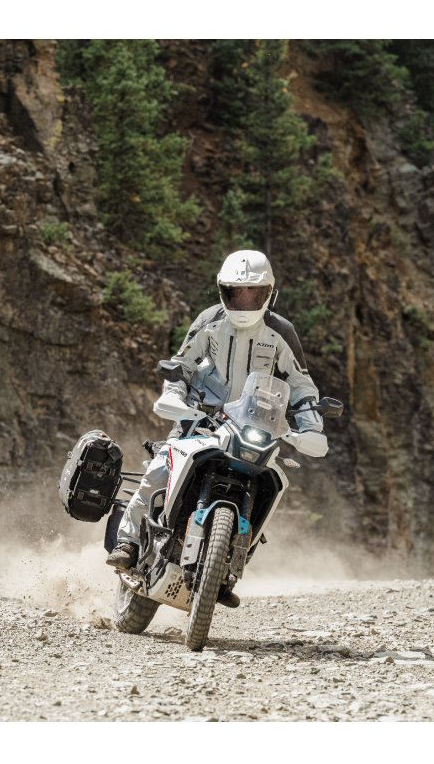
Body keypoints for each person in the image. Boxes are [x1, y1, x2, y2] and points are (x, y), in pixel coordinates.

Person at [105, 249, 325, 608]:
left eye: (253, 293)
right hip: (201, 418)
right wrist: (173, 394)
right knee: (161, 468)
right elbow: (182, 364)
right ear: (224, 290)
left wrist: (311, 426)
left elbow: (301, 385)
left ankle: (225, 567)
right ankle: (127, 542)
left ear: (268, 293)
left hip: (255, 423)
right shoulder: (209, 319)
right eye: (236, 292)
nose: (244, 300)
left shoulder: (281, 331)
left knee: (268, 483)